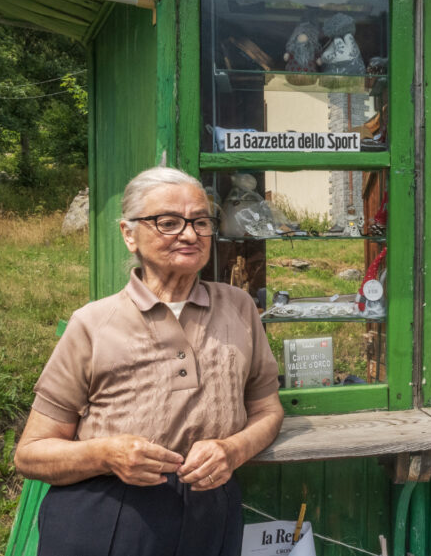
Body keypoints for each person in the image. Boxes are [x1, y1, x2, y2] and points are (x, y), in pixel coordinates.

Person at [15, 166, 284, 556]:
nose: (190, 235)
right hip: (107, 514)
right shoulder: (93, 323)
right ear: (129, 234)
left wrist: (233, 450)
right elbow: (31, 453)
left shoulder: (238, 307)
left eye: (201, 222)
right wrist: (107, 454)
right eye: (169, 222)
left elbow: (267, 409)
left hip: (209, 511)